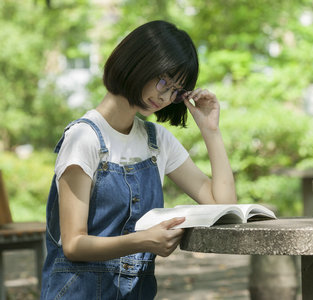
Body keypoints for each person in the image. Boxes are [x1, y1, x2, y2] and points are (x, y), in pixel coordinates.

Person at [40, 20, 237, 299]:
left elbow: (223, 208)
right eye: (163, 81)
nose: (166, 96)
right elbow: (73, 244)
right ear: (137, 62)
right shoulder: (85, 138)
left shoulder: (157, 141)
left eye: (175, 90)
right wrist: (143, 241)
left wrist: (211, 130)